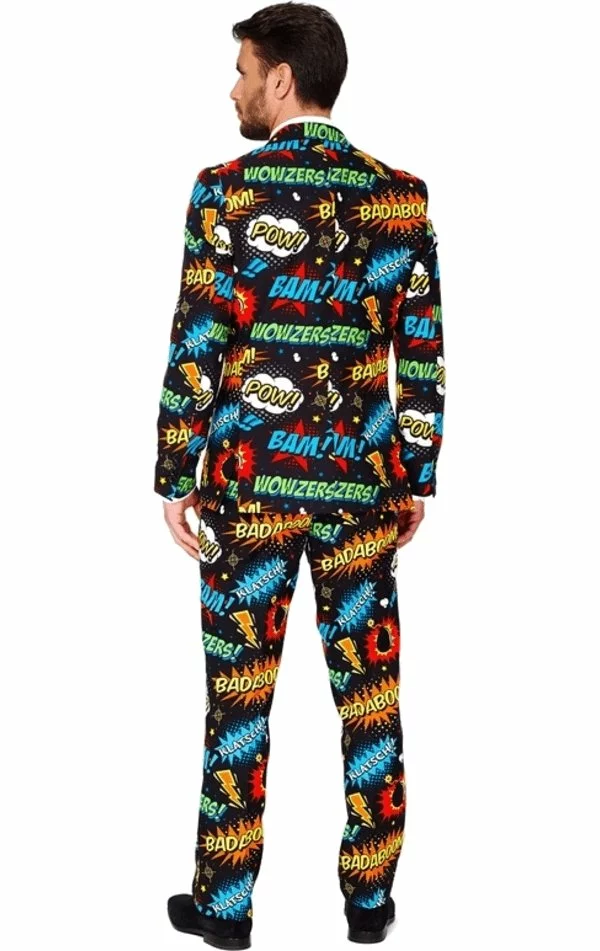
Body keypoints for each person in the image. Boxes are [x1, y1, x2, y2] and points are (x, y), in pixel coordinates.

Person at [153, 3, 445, 946]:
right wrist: (415, 474)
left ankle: (225, 907)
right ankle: (369, 902)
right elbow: (423, 352)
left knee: (238, 696)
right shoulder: (402, 198)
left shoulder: (223, 192)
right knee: (370, 698)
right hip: (362, 490)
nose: (233, 89)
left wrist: (175, 471)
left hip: (248, 488)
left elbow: (198, 340)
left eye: (243, 71)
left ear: (282, 79)